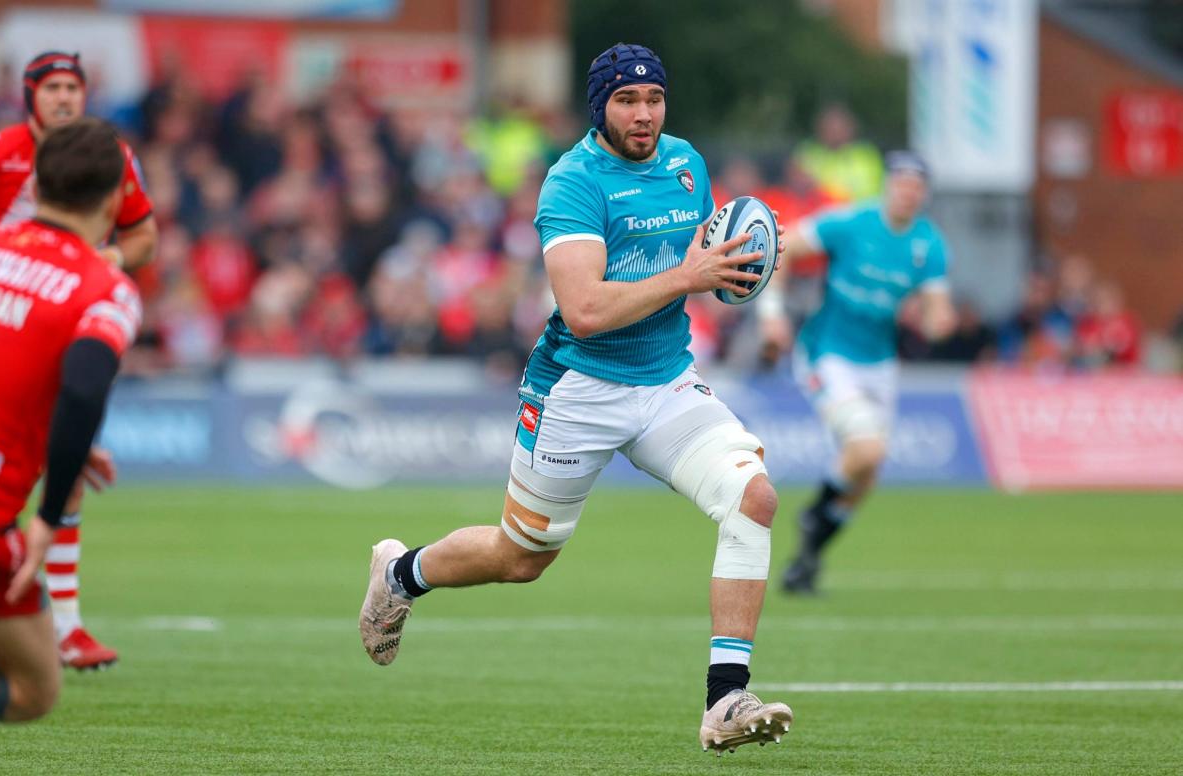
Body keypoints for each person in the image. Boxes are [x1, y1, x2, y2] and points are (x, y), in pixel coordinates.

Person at [360, 43, 793, 757]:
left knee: (756, 499)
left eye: (654, 99)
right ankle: (400, 572)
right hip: (578, 387)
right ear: (601, 107)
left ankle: (725, 700)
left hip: (666, 384)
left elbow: (716, 258)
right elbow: (586, 309)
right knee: (522, 556)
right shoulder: (572, 182)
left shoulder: (687, 164)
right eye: (627, 101)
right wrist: (691, 277)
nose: (644, 114)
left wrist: (743, 283)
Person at [0, 51, 157, 669]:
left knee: (53, 457)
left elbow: (145, 238)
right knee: (34, 691)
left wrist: (97, 266)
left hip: (28, 310)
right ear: (30, 96)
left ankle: (66, 622)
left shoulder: (111, 161)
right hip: (0, 312)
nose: (64, 98)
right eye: (53, 88)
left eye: (74, 88)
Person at [759, 151, 956, 595]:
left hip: (880, 363)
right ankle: (815, 515)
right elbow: (783, 246)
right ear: (887, 186)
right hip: (827, 353)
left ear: (924, 195)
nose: (907, 192)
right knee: (865, 450)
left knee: (866, 475)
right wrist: (772, 313)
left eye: (916, 186)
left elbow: (935, 313)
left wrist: (936, 322)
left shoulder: (930, 245)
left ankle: (806, 559)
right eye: (900, 183)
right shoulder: (850, 223)